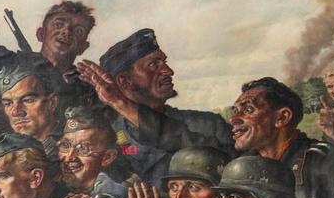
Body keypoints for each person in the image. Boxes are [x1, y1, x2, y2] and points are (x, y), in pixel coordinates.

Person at [76, 29, 232, 180]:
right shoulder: (100, 137)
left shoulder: (209, 125)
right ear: (125, 81)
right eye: (153, 65)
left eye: (164, 62)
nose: (169, 71)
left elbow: (228, 169)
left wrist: (121, 103)